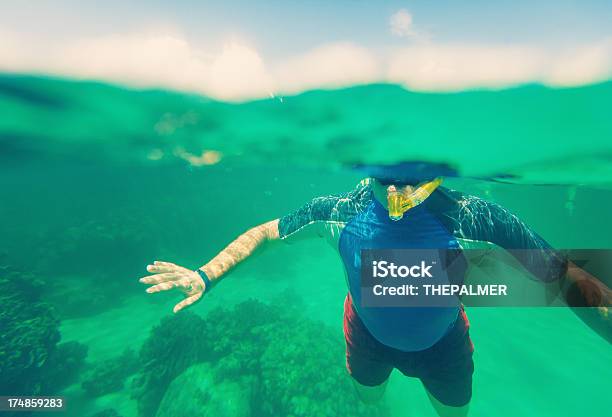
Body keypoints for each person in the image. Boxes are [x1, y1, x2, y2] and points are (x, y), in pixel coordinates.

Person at [139, 164, 610, 417]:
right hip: (366, 337)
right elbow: (268, 231)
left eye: (415, 175)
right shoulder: (341, 211)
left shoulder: (477, 218)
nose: (400, 190)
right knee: (369, 403)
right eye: (391, 175)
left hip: (444, 345)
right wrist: (207, 275)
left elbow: (564, 274)